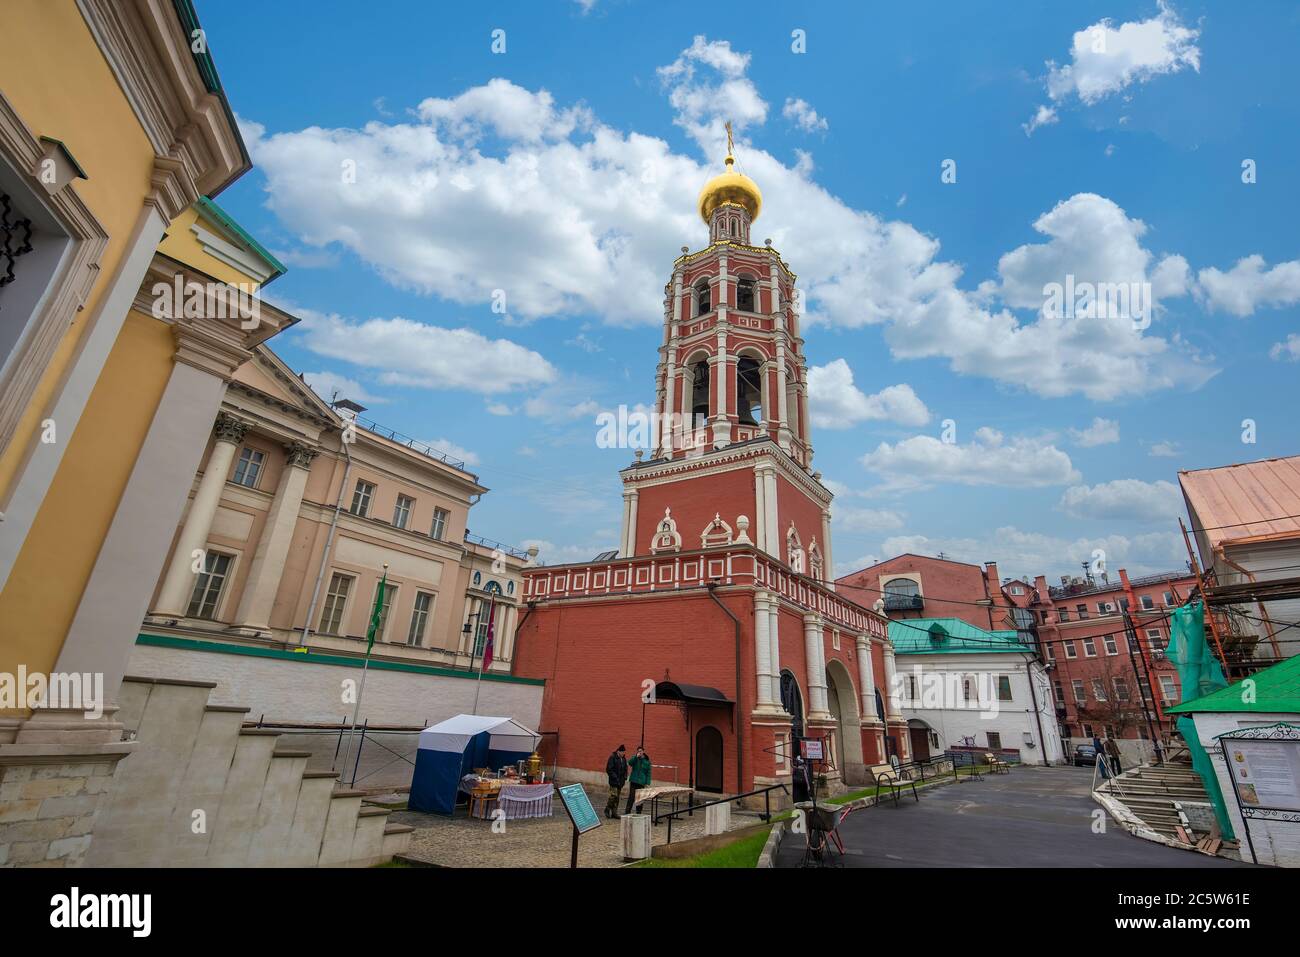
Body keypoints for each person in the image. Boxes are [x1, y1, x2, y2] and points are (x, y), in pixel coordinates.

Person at [625, 745, 652, 815]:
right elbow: (629, 763)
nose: (639, 752)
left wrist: (647, 782)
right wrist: (635, 757)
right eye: (638, 751)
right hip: (634, 781)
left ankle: (638, 812)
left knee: (640, 798)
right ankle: (627, 811)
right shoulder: (635, 758)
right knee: (631, 797)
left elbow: (648, 773)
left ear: (643, 751)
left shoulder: (647, 761)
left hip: (641, 782)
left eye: (641, 751)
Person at [604, 744, 628, 819]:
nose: (623, 753)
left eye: (624, 752)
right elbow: (609, 769)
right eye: (622, 752)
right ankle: (607, 809)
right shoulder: (612, 758)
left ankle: (614, 813)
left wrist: (625, 777)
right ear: (618, 751)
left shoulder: (623, 759)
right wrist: (615, 777)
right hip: (614, 781)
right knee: (613, 796)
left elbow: (625, 769)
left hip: (620, 782)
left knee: (617, 798)